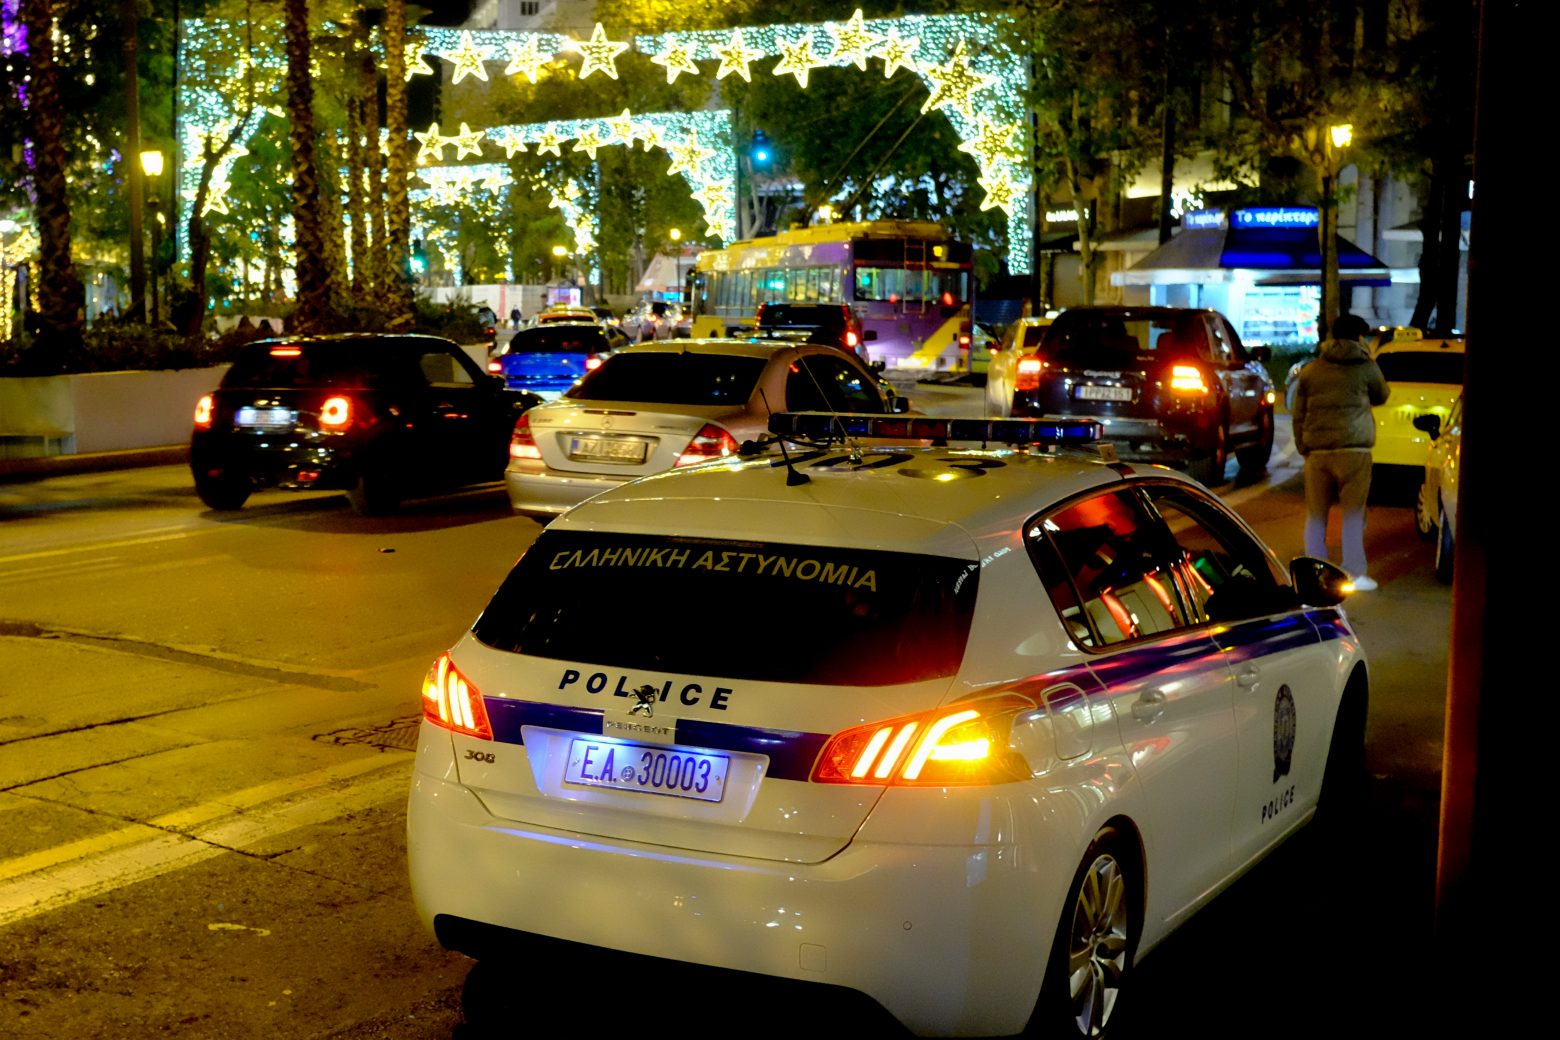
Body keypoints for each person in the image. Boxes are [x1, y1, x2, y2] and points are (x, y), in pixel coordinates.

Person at [1291, 312, 1390, 590]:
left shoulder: (1312, 370)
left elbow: (1298, 413)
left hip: (1318, 452)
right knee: (1353, 515)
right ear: (1359, 337)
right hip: (1354, 451)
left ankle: (1314, 573)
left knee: (1316, 516)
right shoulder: (1366, 367)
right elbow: (1382, 395)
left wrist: (1303, 445)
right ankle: (1354, 573)